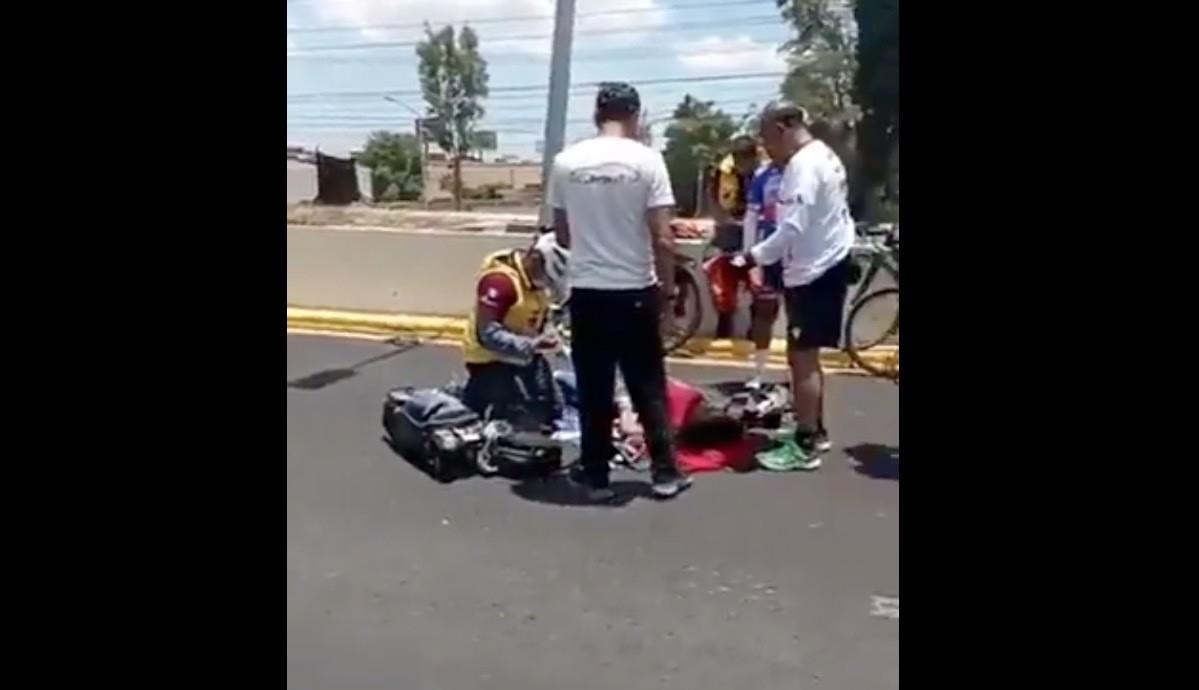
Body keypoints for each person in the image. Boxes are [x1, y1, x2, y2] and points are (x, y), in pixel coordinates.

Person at [549, 81, 691, 502]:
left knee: (594, 387)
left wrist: (595, 239)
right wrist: (667, 296)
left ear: (597, 114)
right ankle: (665, 473)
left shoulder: (565, 162)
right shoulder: (648, 161)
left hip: (588, 291)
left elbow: (563, 234)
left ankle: (595, 476)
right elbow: (663, 238)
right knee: (647, 384)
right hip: (634, 289)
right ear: (636, 115)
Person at [734, 102, 854, 470]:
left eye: (768, 137)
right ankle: (814, 429)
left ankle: (804, 444)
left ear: (784, 128)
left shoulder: (802, 167)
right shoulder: (824, 155)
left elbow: (791, 228)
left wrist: (752, 257)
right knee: (807, 356)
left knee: (801, 359)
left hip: (813, 269)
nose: (766, 147)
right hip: (827, 261)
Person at [460, 232, 570, 432]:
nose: (546, 282)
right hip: (491, 362)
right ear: (535, 259)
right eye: (546, 275)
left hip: (524, 357)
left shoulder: (535, 285)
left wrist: (550, 335)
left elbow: (541, 317)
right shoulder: (500, 282)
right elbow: (487, 334)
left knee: (552, 410)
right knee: (520, 420)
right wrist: (532, 344)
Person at [742, 159, 785, 388]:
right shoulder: (763, 176)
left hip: (799, 254)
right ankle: (758, 372)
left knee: (799, 314)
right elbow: (751, 218)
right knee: (764, 311)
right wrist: (750, 259)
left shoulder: (806, 169)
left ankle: (796, 370)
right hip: (769, 252)